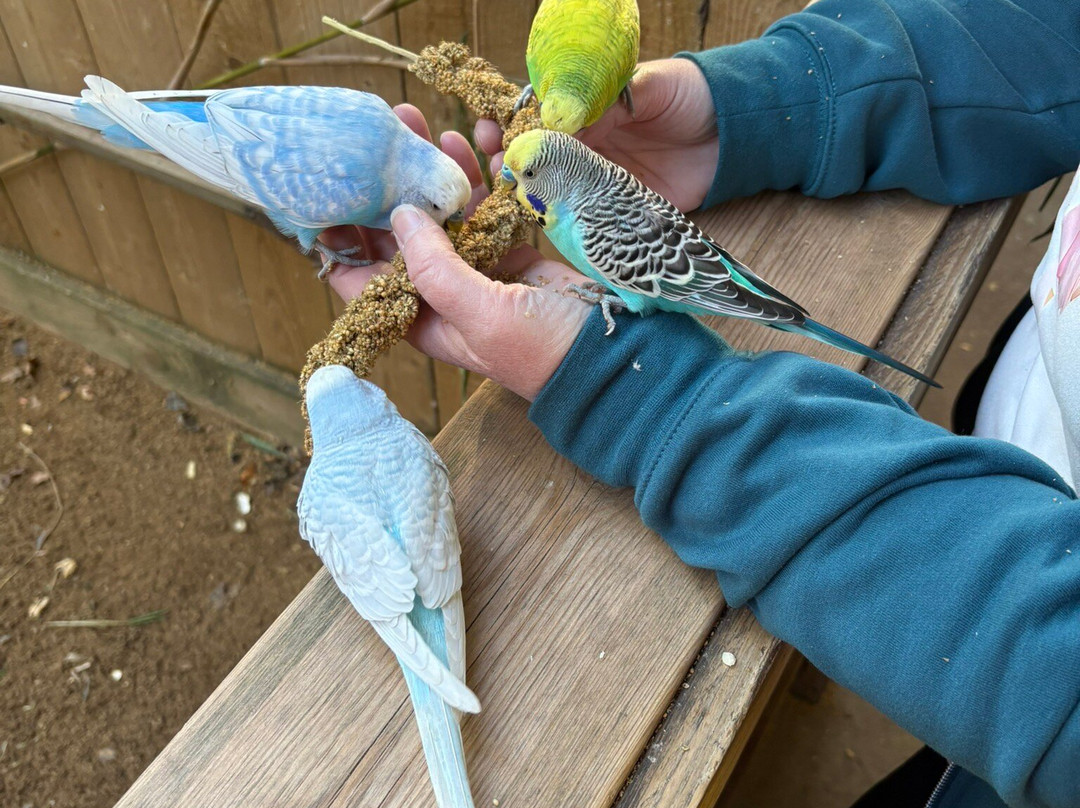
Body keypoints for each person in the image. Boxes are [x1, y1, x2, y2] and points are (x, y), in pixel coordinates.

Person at [321, 1, 1080, 806]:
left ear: (560, 175)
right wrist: (747, 112)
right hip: (1013, 455)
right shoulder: (581, 198)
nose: (515, 185)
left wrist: (627, 369)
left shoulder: (595, 222)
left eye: (528, 175)